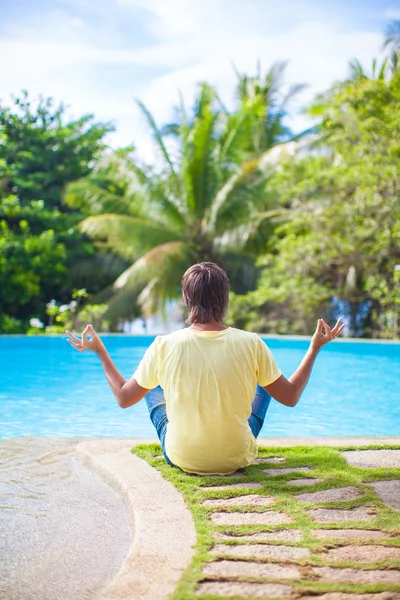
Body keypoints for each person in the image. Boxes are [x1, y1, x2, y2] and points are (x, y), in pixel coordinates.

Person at [66, 262, 344, 475]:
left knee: (153, 385)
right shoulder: (252, 343)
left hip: (183, 457)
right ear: (225, 298)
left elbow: (125, 398)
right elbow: (291, 396)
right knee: (266, 378)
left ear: (187, 299)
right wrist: (314, 348)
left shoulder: (164, 345)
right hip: (237, 457)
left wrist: (100, 352)